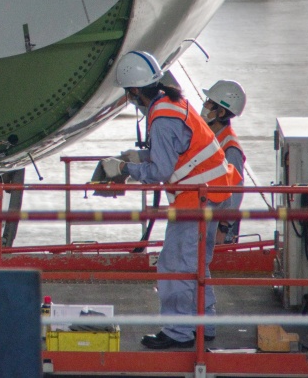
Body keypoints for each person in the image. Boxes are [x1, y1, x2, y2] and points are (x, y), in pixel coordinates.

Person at [100, 50, 241, 349]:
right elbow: (177, 151)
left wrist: (125, 169)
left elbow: (161, 171)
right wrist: (138, 156)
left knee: (175, 265)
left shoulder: (162, 118)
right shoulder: (172, 102)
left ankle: (179, 332)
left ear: (135, 90)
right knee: (197, 263)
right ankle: (205, 322)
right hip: (212, 192)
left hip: (197, 199)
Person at [201, 80, 247, 245]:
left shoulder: (230, 147)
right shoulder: (212, 138)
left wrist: (224, 226)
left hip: (219, 225)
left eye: (209, 103)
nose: (205, 106)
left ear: (220, 112)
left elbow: (235, 193)